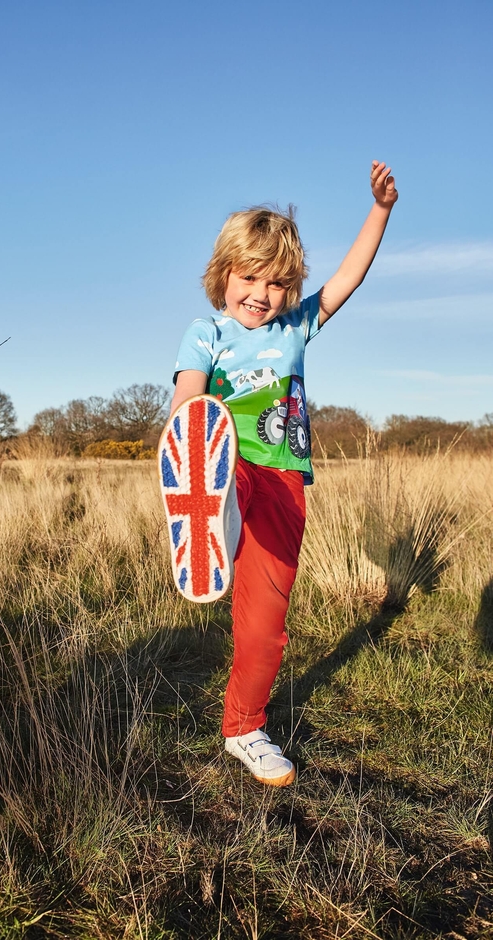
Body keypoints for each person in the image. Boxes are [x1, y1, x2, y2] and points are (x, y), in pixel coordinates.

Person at [158, 161, 398, 786]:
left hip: (285, 482)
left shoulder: (296, 327)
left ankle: (244, 728)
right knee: (222, 465)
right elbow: (189, 397)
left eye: (274, 283)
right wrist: (187, 433)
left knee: (267, 626)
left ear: (289, 289)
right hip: (228, 465)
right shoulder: (205, 330)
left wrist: (380, 210)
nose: (260, 293)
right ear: (224, 275)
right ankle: (207, 513)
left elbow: (347, 277)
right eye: (249, 277)